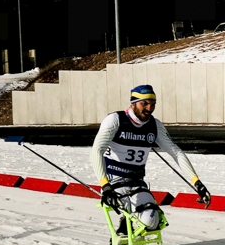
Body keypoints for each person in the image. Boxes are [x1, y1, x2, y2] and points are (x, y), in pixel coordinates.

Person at [90, 84, 211, 237]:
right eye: (144, 103)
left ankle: (128, 229)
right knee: (141, 217)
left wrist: (197, 182)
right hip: (114, 183)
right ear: (133, 102)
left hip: (137, 183)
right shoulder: (115, 120)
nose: (149, 108)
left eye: (153, 104)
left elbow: (176, 153)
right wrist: (105, 186)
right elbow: (96, 150)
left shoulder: (155, 126)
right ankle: (125, 226)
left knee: (153, 222)